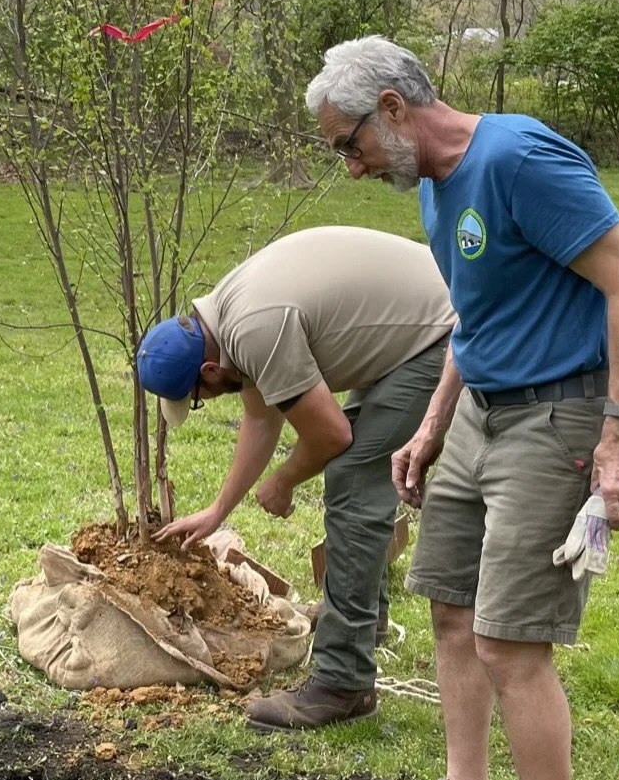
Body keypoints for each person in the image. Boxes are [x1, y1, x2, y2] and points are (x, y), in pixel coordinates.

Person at [305, 36, 619, 780]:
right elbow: (476, 314)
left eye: (347, 143)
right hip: (477, 413)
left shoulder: (519, 160)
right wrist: (429, 427)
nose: (347, 168)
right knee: (450, 611)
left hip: (557, 418)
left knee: (512, 645)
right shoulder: (430, 187)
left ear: (390, 106)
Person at [135, 227, 456, 730]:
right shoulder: (224, 317)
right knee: (357, 473)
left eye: (195, 397)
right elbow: (262, 416)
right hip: (415, 329)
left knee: (351, 480)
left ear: (212, 370)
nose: (200, 404)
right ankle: (362, 625)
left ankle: (343, 682)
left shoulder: (254, 329)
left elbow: (331, 438)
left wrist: (283, 480)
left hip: (443, 335)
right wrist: (220, 509)